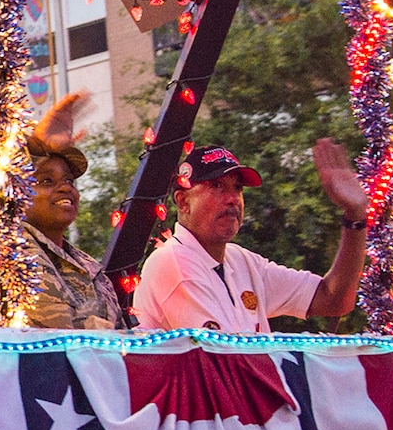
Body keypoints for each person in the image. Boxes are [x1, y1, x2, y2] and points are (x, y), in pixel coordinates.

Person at [131, 140, 369, 333]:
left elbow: (333, 299)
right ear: (183, 202)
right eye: (216, 186)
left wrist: (355, 216)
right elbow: (226, 362)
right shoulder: (171, 262)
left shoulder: (241, 261)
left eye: (237, 188)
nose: (232, 198)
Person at [0, 93, 126, 330]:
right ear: (14, 192)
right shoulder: (3, 247)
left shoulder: (90, 267)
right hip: (11, 366)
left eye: (69, 180)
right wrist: (35, 147)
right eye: (46, 181)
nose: (65, 188)